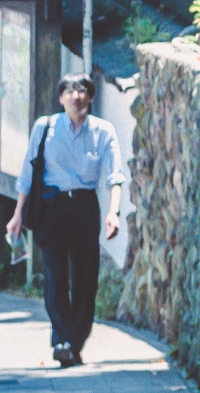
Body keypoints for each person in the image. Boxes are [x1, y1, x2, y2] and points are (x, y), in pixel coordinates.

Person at [11, 70, 122, 367]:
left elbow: (115, 176)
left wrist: (114, 211)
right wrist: (17, 214)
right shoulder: (45, 128)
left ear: (91, 97)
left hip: (85, 207)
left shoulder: (103, 131)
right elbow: (27, 172)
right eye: (70, 91)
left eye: (83, 90)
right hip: (51, 207)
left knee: (86, 279)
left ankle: (75, 341)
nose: (77, 96)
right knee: (56, 276)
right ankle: (61, 340)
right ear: (61, 98)